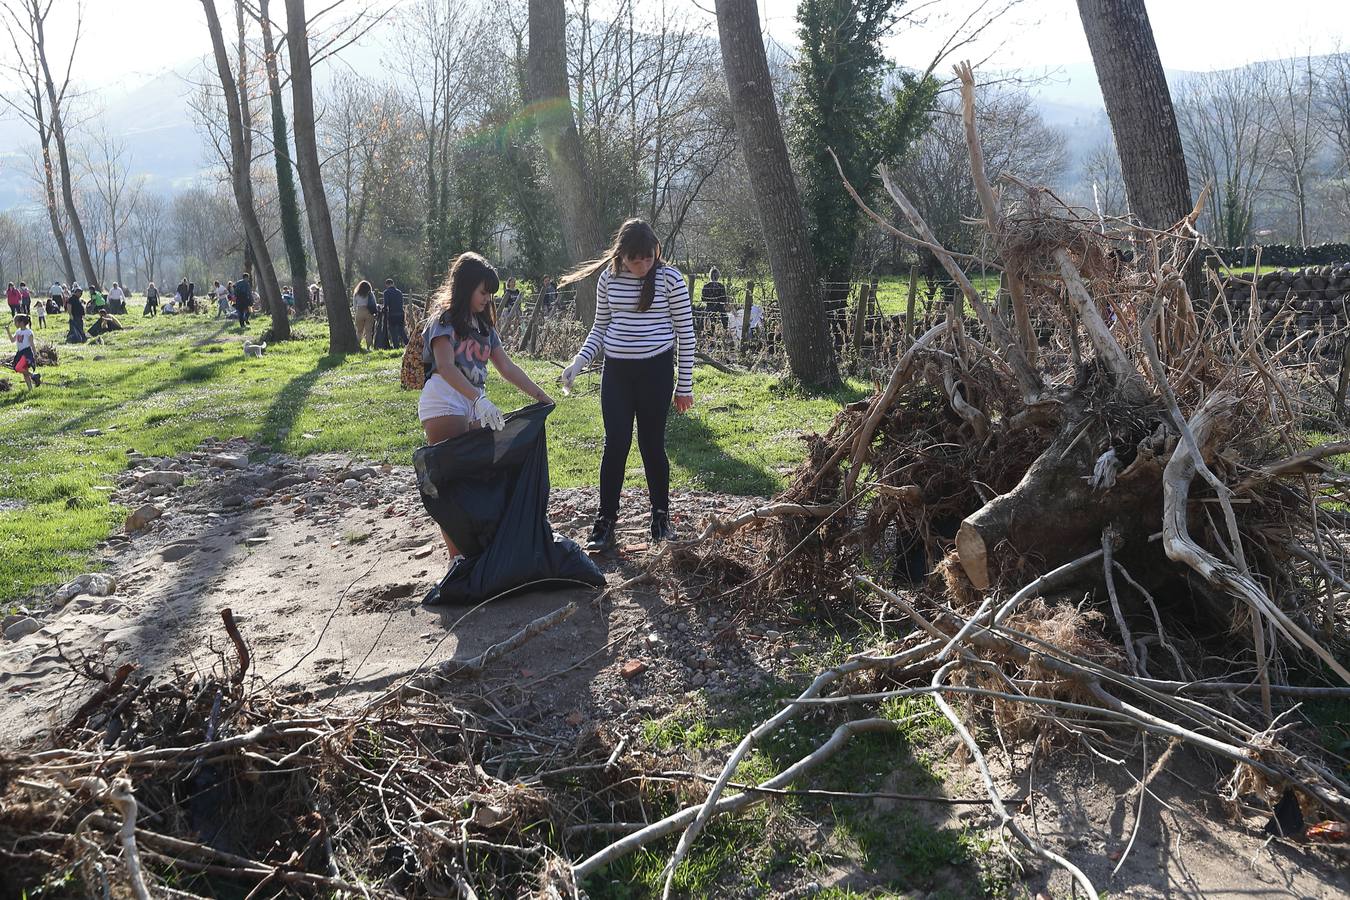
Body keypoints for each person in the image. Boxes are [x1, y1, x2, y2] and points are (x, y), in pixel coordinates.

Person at [560, 218, 695, 550]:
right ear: (622, 255)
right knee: (615, 444)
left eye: (649, 257)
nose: (643, 265)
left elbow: (687, 335)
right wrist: (579, 361)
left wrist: (685, 385)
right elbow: (600, 328)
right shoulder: (609, 278)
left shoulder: (670, 280)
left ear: (656, 251)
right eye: (637, 259)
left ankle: (660, 518)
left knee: (651, 445)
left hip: (656, 371)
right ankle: (606, 521)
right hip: (617, 372)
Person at [418, 251, 554, 568]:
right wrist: (477, 398)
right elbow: (446, 367)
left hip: (476, 403)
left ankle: (476, 549)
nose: (486, 299)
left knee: (479, 476)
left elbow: (506, 366)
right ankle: (457, 559)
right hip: (445, 399)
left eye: (489, 293)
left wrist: (540, 396)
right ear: (465, 287)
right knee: (450, 478)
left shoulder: (484, 327)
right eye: (482, 292)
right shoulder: (443, 323)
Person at [6, 314, 39, 388]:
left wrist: (35, 354)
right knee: (25, 373)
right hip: (20, 353)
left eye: (15, 322)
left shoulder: (29, 332)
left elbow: (32, 344)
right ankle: (30, 389)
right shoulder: (18, 331)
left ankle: (34, 375)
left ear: (21, 322)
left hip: (26, 353)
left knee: (18, 368)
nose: (14, 324)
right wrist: (8, 331)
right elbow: (12, 340)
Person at [699, 267, 728, 335]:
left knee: (703, 323)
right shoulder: (721, 286)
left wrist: (711, 300)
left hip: (711, 308)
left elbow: (703, 299)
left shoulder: (706, 286)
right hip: (719, 309)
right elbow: (724, 299)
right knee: (725, 322)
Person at [352, 279, 377, 349]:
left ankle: (357, 346)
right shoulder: (370, 294)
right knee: (368, 331)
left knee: (359, 331)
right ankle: (368, 347)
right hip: (369, 312)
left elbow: (354, 306)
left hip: (359, 311)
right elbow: (374, 303)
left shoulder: (356, 294)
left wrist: (355, 312)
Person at [383, 278, 407, 348]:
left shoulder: (386, 292)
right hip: (401, 313)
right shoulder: (399, 292)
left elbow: (386, 304)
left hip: (392, 314)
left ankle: (396, 346)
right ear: (393, 284)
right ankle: (407, 344)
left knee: (393, 332)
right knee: (401, 331)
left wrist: (383, 309)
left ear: (386, 285)